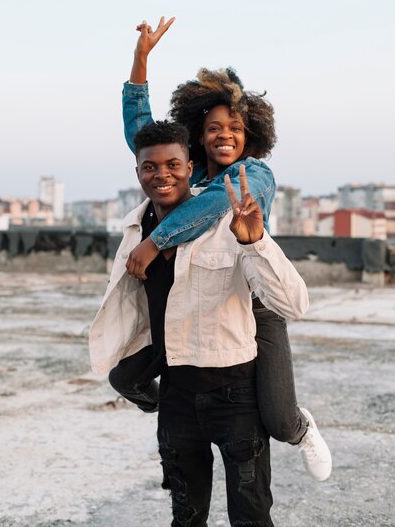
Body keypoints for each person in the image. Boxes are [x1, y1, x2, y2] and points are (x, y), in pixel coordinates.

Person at [112, 17, 332, 483]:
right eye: (213, 128)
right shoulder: (187, 175)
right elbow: (143, 137)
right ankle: (170, 411)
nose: (224, 134)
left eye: (234, 126)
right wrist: (140, 61)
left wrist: (155, 242)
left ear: (249, 134)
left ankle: (301, 427)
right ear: (198, 135)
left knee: (275, 417)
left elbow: (214, 206)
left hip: (252, 302)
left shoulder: (255, 176)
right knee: (125, 376)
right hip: (194, 304)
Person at [90, 120, 310, 526]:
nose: (162, 175)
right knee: (186, 516)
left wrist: (255, 241)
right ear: (137, 173)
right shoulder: (135, 231)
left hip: (236, 393)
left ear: (191, 167)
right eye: (150, 168)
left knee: (251, 516)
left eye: (173, 164)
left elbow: (294, 304)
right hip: (176, 396)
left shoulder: (230, 222)